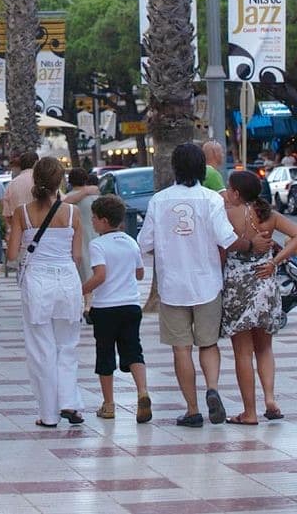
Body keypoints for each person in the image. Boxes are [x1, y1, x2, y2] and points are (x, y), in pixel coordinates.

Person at [138, 143, 271, 428]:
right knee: (208, 344)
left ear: (175, 168)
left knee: (181, 349)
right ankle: (212, 387)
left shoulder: (159, 201)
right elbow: (227, 239)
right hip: (207, 283)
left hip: (173, 286)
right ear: (202, 168)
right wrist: (251, 245)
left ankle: (192, 409)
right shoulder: (212, 199)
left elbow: (144, 243)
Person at [7, 156, 84, 428]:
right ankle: (69, 402)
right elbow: (77, 256)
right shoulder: (73, 213)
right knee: (67, 345)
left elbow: (12, 255)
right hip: (67, 281)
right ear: (60, 181)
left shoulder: (23, 213)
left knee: (41, 349)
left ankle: (49, 414)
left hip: (37, 282)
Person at [221, 170, 297, 424]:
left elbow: (221, 247)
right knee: (265, 348)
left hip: (237, 286)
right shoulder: (269, 215)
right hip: (265, 282)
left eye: (229, 188)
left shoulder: (227, 215)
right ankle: (270, 399)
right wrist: (275, 261)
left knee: (243, 353)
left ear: (236, 193)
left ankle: (249, 412)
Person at [82, 195, 151, 423]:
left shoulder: (98, 244)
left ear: (103, 220)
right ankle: (142, 392)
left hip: (106, 308)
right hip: (131, 305)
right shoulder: (131, 242)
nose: (92, 222)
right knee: (134, 350)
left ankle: (109, 404)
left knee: (105, 355)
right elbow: (140, 274)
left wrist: (80, 290)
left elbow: (100, 275)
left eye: (94, 218)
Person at [64, 168, 99, 321]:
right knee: (91, 272)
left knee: (77, 274)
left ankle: (78, 307)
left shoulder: (66, 200)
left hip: (73, 240)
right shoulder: (94, 198)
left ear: (70, 181)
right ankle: (89, 305)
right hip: (94, 237)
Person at [2, 150, 38, 236]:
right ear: (36, 163)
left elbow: (7, 215)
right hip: (40, 230)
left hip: (19, 231)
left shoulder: (11, 185)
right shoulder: (42, 181)